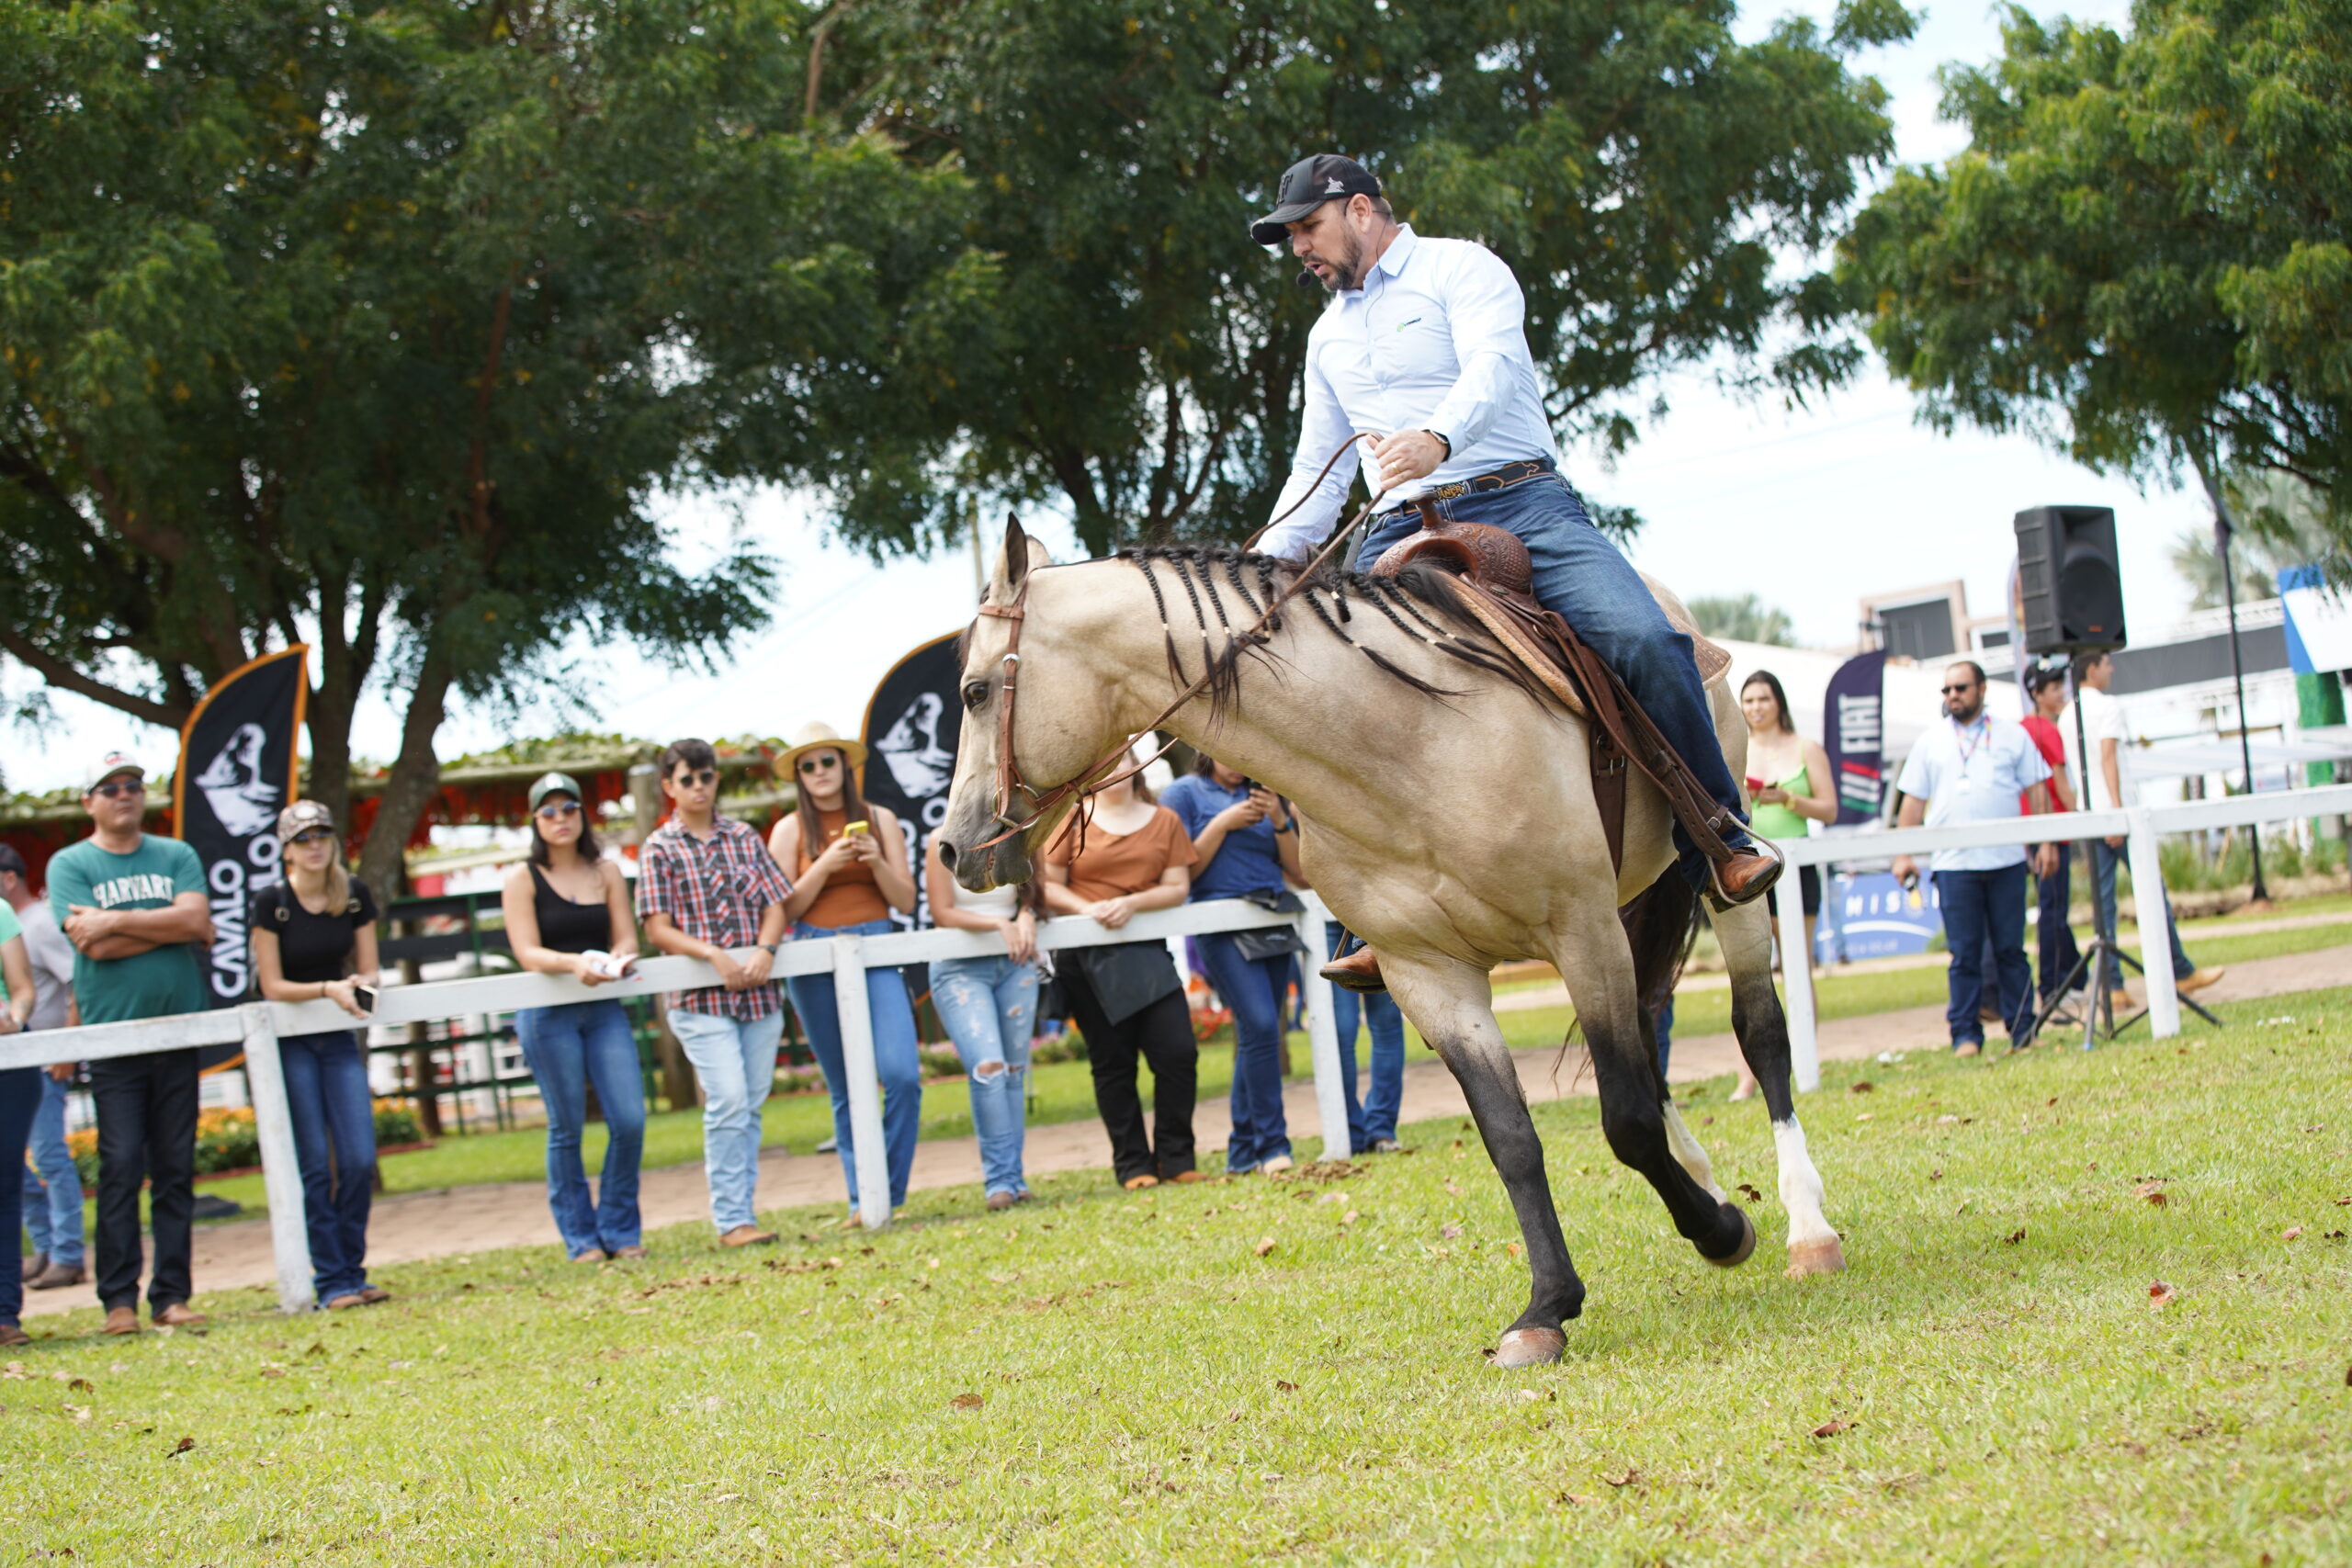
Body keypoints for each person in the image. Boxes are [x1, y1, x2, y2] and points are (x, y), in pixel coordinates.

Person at [1250, 153, 1779, 999]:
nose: (1298, 250)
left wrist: (1436, 440)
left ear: (1357, 211)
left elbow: (1494, 370)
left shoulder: (1464, 268)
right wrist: (1263, 567)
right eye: (1289, 238)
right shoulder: (1326, 337)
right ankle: (1374, 913)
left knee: (1644, 634)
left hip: (1520, 500)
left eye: (1306, 230)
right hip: (1392, 526)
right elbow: (1317, 463)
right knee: (1321, 688)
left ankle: (1719, 835)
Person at [47, 751, 216, 1334]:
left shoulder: (177, 854)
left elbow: (196, 922)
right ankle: (118, 1301)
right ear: (89, 801)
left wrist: (113, 920)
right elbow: (89, 948)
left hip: (179, 1030)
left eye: (134, 786)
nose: (126, 794)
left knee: (175, 1166)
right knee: (120, 1165)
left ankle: (171, 1295)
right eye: (111, 787)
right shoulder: (69, 863)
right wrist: (162, 925)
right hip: (114, 1037)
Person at [637, 739, 794, 1248]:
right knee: (726, 1098)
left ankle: (742, 1213)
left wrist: (766, 950)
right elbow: (657, 929)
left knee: (748, 1104)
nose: (698, 787)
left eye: (705, 777)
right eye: (687, 779)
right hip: (698, 1000)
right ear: (669, 787)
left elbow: (776, 903)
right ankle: (731, 1221)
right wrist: (712, 955)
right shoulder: (660, 848)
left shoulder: (745, 837)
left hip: (758, 994)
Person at [768, 723, 923, 1224]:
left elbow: (905, 899)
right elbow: (782, 909)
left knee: (901, 1075)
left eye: (826, 762)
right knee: (844, 1085)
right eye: (807, 765)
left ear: (844, 765)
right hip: (813, 953)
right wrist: (824, 865)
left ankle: (889, 1192)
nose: (818, 773)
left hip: (875, 945)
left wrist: (876, 861)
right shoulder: (790, 829)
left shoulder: (881, 819)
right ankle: (862, 1198)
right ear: (798, 775)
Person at [501, 773, 647, 1263]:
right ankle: (581, 1239)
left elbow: (626, 936)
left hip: (603, 1005)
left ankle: (620, 1229)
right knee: (566, 1126)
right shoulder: (522, 878)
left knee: (629, 1118)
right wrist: (573, 963)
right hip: (549, 1012)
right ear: (535, 821)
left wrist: (615, 959)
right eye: (549, 812)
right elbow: (527, 951)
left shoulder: (605, 872)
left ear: (583, 815)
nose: (560, 820)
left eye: (569, 809)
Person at [250, 801, 390, 1310]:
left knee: (357, 1158)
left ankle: (353, 1268)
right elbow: (271, 984)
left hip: (336, 1037)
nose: (314, 846)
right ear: (286, 848)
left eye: (322, 836)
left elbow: (370, 967)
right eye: (303, 838)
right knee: (313, 1163)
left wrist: (357, 984)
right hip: (291, 1042)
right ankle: (331, 1280)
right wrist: (329, 987)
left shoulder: (353, 893)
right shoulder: (273, 902)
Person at [1041, 757, 1201, 1190]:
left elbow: (1177, 887)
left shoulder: (1165, 820)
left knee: (1177, 1052)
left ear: (1138, 765)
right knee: (1112, 1062)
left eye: (1122, 760)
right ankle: (1134, 1165)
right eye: (1104, 763)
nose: (1114, 771)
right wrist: (1087, 909)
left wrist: (1132, 904)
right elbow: (1049, 884)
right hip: (1086, 960)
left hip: (1147, 954)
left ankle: (1176, 1157)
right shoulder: (1071, 817)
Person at [1889, 665, 2058, 1057]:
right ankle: (1965, 1035)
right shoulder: (1930, 741)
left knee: (2010, 950)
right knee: (1964, 954)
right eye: (1946, 689)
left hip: (2006, 861)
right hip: (1953, 866)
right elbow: (1911, 803)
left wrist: (2046, 842)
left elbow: (2038, 791)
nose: (1953, 695)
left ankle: (2023, 1031)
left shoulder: (2013, 734)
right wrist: (1903, 853)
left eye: (1961, 688)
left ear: (1981, 689)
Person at [1160, 755, 1306, 1176]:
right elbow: (1183, 871)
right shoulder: (1183, 794)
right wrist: (1222, 823)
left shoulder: (1263, 790)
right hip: (1219, 925)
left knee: (1257, 1033)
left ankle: (1243, 1152)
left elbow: (1298, 872)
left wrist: (1279, 819)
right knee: (1261, 1025)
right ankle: (1274, 1144)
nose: (1239, 763)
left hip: (1272, 919)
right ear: (1206, 749)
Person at [2063, 651, 2225, 1008]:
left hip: (2089, 814)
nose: (2111, 668)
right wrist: (2118, 812)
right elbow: (2107, 758)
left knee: (2103, 903)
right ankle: (2180, 970)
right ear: (2091, 668)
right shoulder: (2107, 706)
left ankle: (2114, 986)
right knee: (2153, 891)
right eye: (2106, 663)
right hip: (2117, 813)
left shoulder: (2066, 714)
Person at [1736, 671, 1837, 1099]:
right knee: (1752, 972)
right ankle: (1748, 1075)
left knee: (1798, 965)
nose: (1756, 707)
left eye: (1763, 698)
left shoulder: (1805, 748)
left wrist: (1789, 800)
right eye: (1749, 700)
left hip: (1797, 867)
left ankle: (1804, 1058)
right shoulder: (1734, 748)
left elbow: (1829, 809)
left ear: (1778, 702)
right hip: (1751, 864)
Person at [924, 840, 1039, 1210]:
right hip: (960, 968)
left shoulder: (1025, 834)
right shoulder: (939, 842)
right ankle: (999, 1182)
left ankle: (1015, 1179)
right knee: (988, 1068)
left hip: (1015, 962)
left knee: (1013, 1072)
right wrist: (998, 923)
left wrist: (1027, 913)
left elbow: (1036, 894)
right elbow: (942, 912)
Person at [3, 844, 85, 1292]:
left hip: (43, 1057)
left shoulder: (37, 924)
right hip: (27, 1055)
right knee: (18, 1164)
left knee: (51, 1157)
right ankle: (46, 1247)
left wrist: (65, 1048)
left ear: (9, 877)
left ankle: (68, 1254)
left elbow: (77, 982)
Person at [2018, 662, 2085, 1014]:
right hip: (2052, 828)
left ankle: (2073, 977)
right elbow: (2060, 784)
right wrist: (2082, 822)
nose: (2061, 692)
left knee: (2052, 907)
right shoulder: (2046, 730)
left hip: (2030, 828)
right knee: (2054, 909)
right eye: (2054, 687)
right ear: (2037, 694)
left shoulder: (2021, 730)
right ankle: (2054, 986)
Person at [1326, 918, 1408, 1154]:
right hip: (1331, 919)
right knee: (1342, 1031)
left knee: (1387, 1026)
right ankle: (1350, 1131)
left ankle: (1381, 1129)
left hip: (1374, 918)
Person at [0, 892, 40, 1347]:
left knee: (5, 1185)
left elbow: (22, 987)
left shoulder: (0, 911)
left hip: (7, 1059)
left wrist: (14, 1017)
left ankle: (4, 1312)